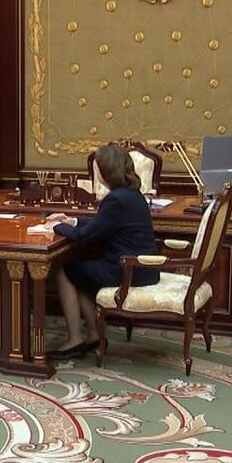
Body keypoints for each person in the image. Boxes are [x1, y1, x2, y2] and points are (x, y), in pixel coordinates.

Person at [45, 144, 159, 359]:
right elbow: (102, 224)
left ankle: (75, 339)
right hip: (141, 268)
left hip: (129, 270)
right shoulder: (132, 195)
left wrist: (56, 227)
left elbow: (85, 236)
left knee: (64, 270)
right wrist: (71, 220)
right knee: (80, 270)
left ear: (106, 171)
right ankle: (94, 334)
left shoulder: (115, 199)